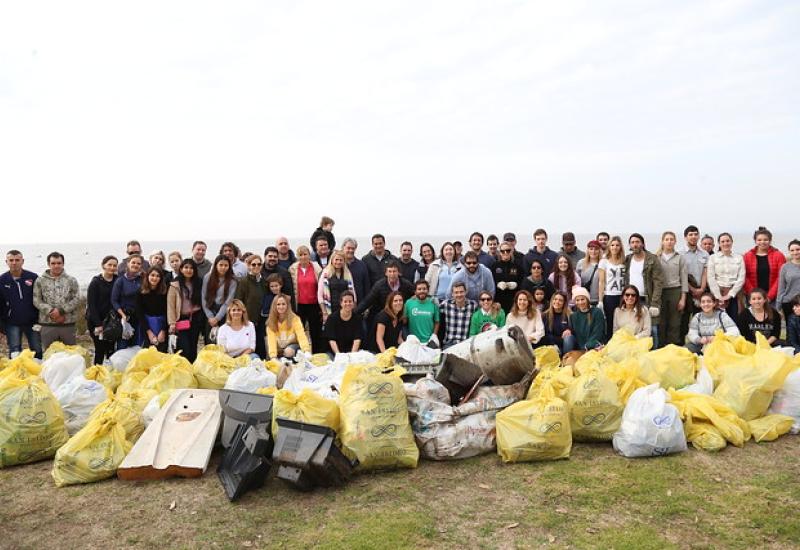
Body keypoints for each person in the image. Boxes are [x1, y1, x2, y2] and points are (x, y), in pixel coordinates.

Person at [356, 261, 414, 349]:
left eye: (394, 271)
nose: (392, 274)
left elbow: (415, 295)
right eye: (390, 271)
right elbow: (367, 301)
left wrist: (406, 312)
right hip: (384, 317)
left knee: (402, 339)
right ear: (386, 273)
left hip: (399, 318)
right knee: (381, 339)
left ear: (399, 272)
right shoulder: (379, 285)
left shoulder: (406, 284)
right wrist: (354, 313)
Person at [32, 252, 80, 351]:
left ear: (63, 264)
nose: (56, 266)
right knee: (49, 354)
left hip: (67, 323)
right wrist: (51, 311)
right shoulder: (40, 280)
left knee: (70, 354)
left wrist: (61, 311)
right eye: (53, 263)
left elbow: (76, 299)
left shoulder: (71, 280)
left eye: (59, 263)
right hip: (47, 324)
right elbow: (36, 300)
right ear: (48, 264)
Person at [0, 250, 42, 358]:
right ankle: (16, 374)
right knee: (15, 351)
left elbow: (40, 298)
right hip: (12, 322)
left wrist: (40, 319)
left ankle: (37, 373)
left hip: (32, 322)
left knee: (37, 349)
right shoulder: (2, 280)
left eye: (17, 260)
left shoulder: (33, 277)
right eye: (11, 260)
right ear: (6, 262)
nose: (14, 263)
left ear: (22, 261)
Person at [289, 245, 324, 353]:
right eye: (300, 255)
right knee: (299, 332)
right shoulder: (293, 269)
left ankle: (317, 354)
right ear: (297, 257)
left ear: (309, 255)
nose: (303, 257)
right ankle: (299, 354)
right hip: (299, 305)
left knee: (315, 332)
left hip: (314, 304)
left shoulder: (316, 268)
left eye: (305, 254)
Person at [167, 259, 204, 363]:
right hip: (181, 319)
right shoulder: (175, 285)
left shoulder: (199, 283)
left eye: (191, 268)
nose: (189, 270)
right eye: (186, 267)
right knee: (184, 348)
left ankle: (192, 372)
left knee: (193, 348)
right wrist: (172, 323)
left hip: (196, 318)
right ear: (181, 269)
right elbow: (170, 305)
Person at [656, 231, 688, 347]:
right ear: (662, 241)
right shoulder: (656, 258)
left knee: (675, 321)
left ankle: (673, 346)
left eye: (671, 239)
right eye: (667, 239)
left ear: (675, 241)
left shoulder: (680, 258)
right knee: (661, 321)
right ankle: (661, 345)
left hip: (675, 291)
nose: (669, 242)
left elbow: (684, 279)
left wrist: (683, 299)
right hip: (660, 292)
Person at [85, 255, 118, 364]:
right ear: (103, 265)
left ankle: (110, 374)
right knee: (99, 349)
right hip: (96, 320)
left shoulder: (117, 280)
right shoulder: (95, 282)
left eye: (114, 265)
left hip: (112, 321)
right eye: (109, 265)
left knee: (111, 349)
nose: (112, 267)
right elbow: (91, 305)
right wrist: (98, 324)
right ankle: (96, 373)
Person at [624, 233, 664, 324]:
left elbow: (658, 282)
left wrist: (655, 303)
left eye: (637, 242)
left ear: (642, 244)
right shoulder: (628, 259)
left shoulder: (652, 259)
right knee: (633, 326)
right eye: (632, 242)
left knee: (652, 328)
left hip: (647, 299)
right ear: (630, 245)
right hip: (631, 298)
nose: (635, 244)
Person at [235, 255, 269, 358]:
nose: (256, 266)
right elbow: (239, 301)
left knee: (261, 348)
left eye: (259, 264)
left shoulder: (264, 282)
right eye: (253, 264)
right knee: (249, 349)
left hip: (262, 320)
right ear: (248, 266)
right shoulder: (244, 282)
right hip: (248, 321)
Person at [707, 232, 745, 322]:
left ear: (732, 242)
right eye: (722, 241)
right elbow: (711, 277)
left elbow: (741, 278)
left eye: (728, 241)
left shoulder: (739, 258)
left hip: (734, 294)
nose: (725, 243)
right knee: (718, 321)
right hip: (717, 294)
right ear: (719, 244)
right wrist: (718, 296)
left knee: (735, 321)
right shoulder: (713, 258)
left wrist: (730, 294)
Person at [743, 227, 786, 306]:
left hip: (772, 297)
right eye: (759, 240)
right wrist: (755, 296)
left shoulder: (779, 255)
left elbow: (781, 277)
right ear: (755, 241)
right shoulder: (747, 256)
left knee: (771, 317)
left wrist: (769, 296)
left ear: (770, 240)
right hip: (753, 297)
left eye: (765, 239)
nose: (762, 242)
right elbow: (744, 276)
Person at [681, 225, 709, 340]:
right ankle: (682, 343)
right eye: (690, 234)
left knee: (702, 319)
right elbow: (681, 274)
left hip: (701, 291)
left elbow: (705, 272)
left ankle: (702, 343)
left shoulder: (704, 254)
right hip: (686, 291)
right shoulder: (680, 253)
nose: (693, 237)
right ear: (685, 237)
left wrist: (702, 289)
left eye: (695, 234)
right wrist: (692, 290)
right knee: (684, 320)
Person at [111, 253, 144, 348]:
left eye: (138, 263)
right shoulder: (120, 280)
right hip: (125, 318)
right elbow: (114, 300)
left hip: (138, 318)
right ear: (128, 264)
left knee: (136, 347)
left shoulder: (142, 280)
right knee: (122, 346)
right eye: (133, 262)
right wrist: (123, 315)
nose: (135, 265)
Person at [202, 255, 237, 341]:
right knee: (210, 341)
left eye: (226, 265)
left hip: (224, 314)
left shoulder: (232, 281)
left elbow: (228, 302)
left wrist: (217, 318)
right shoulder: (208, 277)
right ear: (216, 265)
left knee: (223, 342)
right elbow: (203, 297)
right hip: (210, 311)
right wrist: (210, 316)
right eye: (221, 265)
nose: (223, 268)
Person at [598, 236, 626, 339]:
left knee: (622, 322)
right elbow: (601, 282)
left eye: (617, 245)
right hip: (610, 296)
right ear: (609, 247)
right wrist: (600, 300)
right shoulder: (604, 261)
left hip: (624, 296)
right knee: (610, 322)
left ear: (620, 247)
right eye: (612, 245)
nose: (615, 247)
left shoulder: (624, 261)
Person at [267, 294, 311, 359]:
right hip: (279, 350)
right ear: (274, 306)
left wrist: (306, 350)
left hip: (293, 347)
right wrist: (273, 356)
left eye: (283, 304)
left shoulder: (295, 319)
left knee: (288, 351)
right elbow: (271, 341)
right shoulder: (270, 322)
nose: (281, 307)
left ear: (288, 305)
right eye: (278, 304)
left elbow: (301, 335)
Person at [136, 266, 168, 351]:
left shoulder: (164, 292)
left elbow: (167, 312)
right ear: (147, 276)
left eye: (158, 276)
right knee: (148, 351)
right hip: (147, 325)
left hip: (162, 324)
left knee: (162, 350)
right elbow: (140, 313)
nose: (155, 278)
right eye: (152, 275)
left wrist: (163, 330)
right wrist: (149, 332)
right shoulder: (140, 292)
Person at [318, 251, 355, 324]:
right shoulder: (326, 273)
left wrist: (353, 308)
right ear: (332, 260)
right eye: (336, 260)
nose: (338, 262)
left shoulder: (347, 274)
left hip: (345, 308)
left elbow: (353, 293)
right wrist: (324, 312)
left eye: (341, 260)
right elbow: (319, 295)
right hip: (330, 309)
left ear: (344, 261)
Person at [438, 281, 477, 348]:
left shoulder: (473, 305)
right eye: (456, 292)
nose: (459, 295)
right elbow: (433, 310)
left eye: (461, 292)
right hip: (449, 344)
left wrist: (495, 305)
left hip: (465, 343)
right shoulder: (446, 304)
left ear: (465, 292)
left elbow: (485, 309)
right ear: (452, 294)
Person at [569, 286, 606, 351]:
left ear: (587, 299)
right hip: (580, 348)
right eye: (577, 300)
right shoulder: (573, 316)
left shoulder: (597, 312)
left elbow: (598, 333)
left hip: (595, 345)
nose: (580, 302)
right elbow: (574, 334)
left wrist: (587, 346)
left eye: (582, 299)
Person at [404, 280, 439, 344]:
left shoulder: (433, 303)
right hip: (414, 342)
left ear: (428, 291)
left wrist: (434, 336)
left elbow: (437, 322)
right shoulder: (408, 303)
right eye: (419, 289)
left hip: (429, 341)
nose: (422, 291)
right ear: (415, 291)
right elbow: (404, 321)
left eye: (424, 289)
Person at [492, 242, 524, 312]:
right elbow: (491, 282)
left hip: (513, 301)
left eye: (508, 250)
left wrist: (516, 284)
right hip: (499, 300)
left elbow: (522, 281)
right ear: (500, 252)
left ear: (511, 251)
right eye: (502, 251)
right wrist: (497, 284)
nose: (505, 253)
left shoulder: (517, 266)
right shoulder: (494, 266)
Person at [777, 239, 800, 321]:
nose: (795, 252)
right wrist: (778, 307)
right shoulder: (785, 267)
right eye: (792, 250)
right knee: (791, 331)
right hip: (788, 303)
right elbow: (781, 288)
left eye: (798, 249)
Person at [343, 238, 370, 304]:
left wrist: (366, 304)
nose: (351, 250)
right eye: (348, 248)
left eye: (353, 248)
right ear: (343, 247)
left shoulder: (361, 265)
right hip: (341, 304)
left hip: (359, 303)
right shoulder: (338, 264)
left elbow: (366, 286)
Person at [576, 240, 602, 306]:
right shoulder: (581, 263)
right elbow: (576, 281)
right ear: (588, 250)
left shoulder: (603, 264)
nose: (593, 251)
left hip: (597, 300)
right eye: (591, 249)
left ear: (599, 251)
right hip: (583, 299)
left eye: (596, 249)